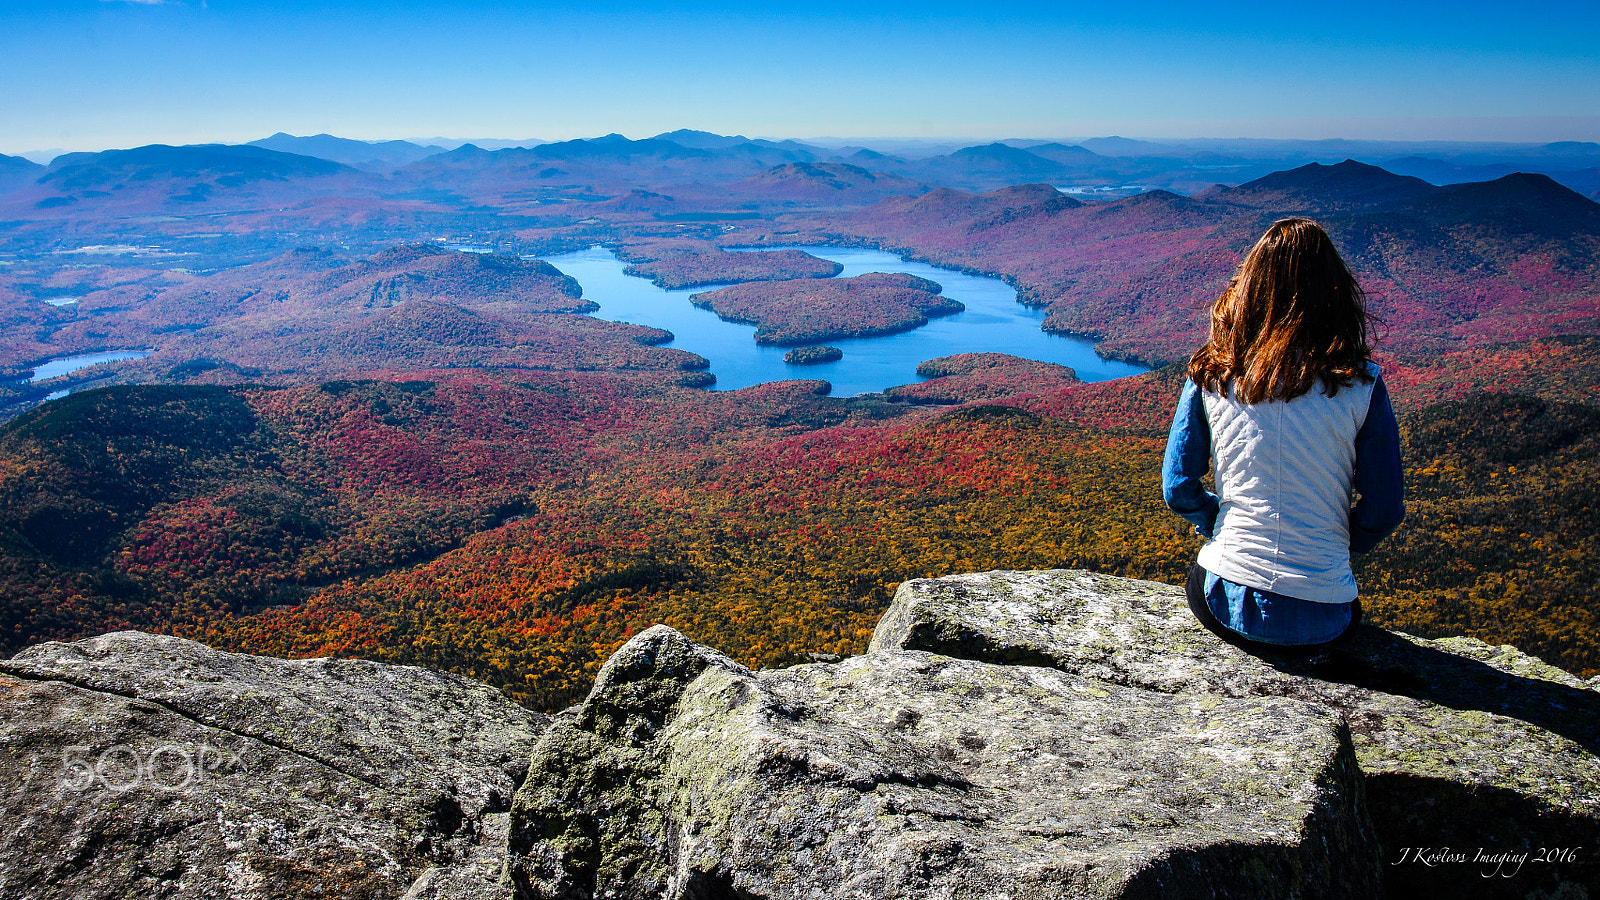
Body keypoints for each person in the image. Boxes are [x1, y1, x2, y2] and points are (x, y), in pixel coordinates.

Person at [1162, 217, 1404, 650]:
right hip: (1326, 612)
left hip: (1222, 596)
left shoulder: (1212, 373)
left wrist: (1214, 521)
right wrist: (1340, 542)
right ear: (1335, 294)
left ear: (1248, 290)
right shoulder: (1362, 384)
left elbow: (1178, 488)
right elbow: (1383, 509)